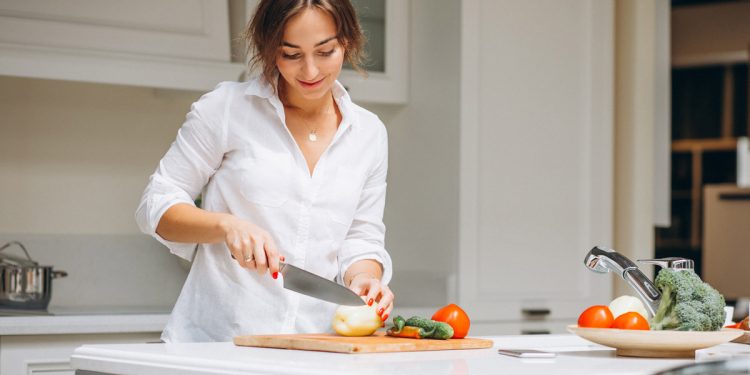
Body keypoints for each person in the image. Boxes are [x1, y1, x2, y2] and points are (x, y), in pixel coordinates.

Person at [135, 0, 394, 343]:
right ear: (270, 49)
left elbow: (362, 238)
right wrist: (226, 225)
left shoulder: (369, 133)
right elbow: (155, 206)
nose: (311, 71)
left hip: (314, 349)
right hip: (215, 345)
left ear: (346, 41)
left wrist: (365, 279)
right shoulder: (226, 109)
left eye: (325, 51)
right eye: (291, 54)